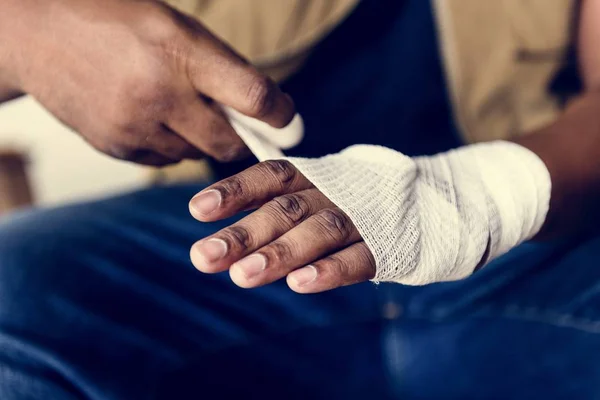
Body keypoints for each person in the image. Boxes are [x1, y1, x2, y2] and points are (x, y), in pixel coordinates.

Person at [0, 0, 598, 398]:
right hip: (225, 251)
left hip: (533, 240)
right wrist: (29, 38)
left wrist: (471, 196)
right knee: (13, 281)